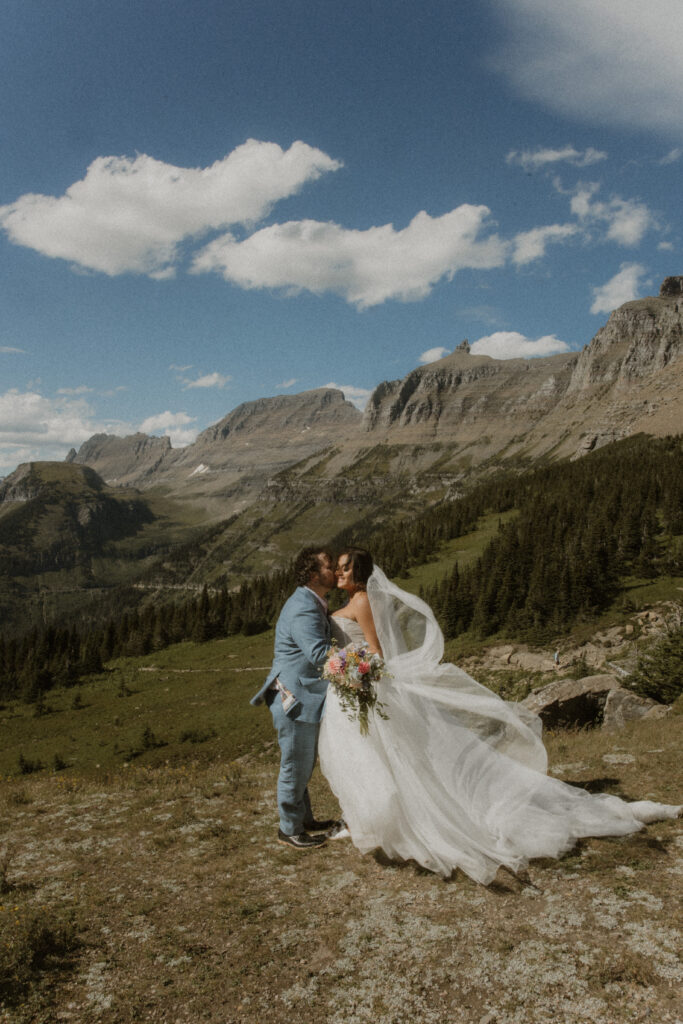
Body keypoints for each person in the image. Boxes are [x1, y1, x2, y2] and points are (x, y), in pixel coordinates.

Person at [318, 547, 681, 884]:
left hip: (364, 685)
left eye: (346, 567)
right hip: (357, 689)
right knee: (378, 758)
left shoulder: (363, 601)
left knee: (393, 758)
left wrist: (354, 669)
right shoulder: (356, 599)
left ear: (361, 573)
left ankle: (390, 822)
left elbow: (376, 651)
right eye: (338, 567)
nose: (339, 571)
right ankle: (369, 820)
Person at [251, 546, 339, 850]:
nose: (336, 570)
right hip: (295, 697)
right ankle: (289, 829)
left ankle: (304, 819)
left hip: (298, 693)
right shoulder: (304, 606)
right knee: (294, 764)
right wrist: (358, 659)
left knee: (302, 762)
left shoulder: (310, 600)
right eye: (329, 566)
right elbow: (317, 653)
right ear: (313, 575)